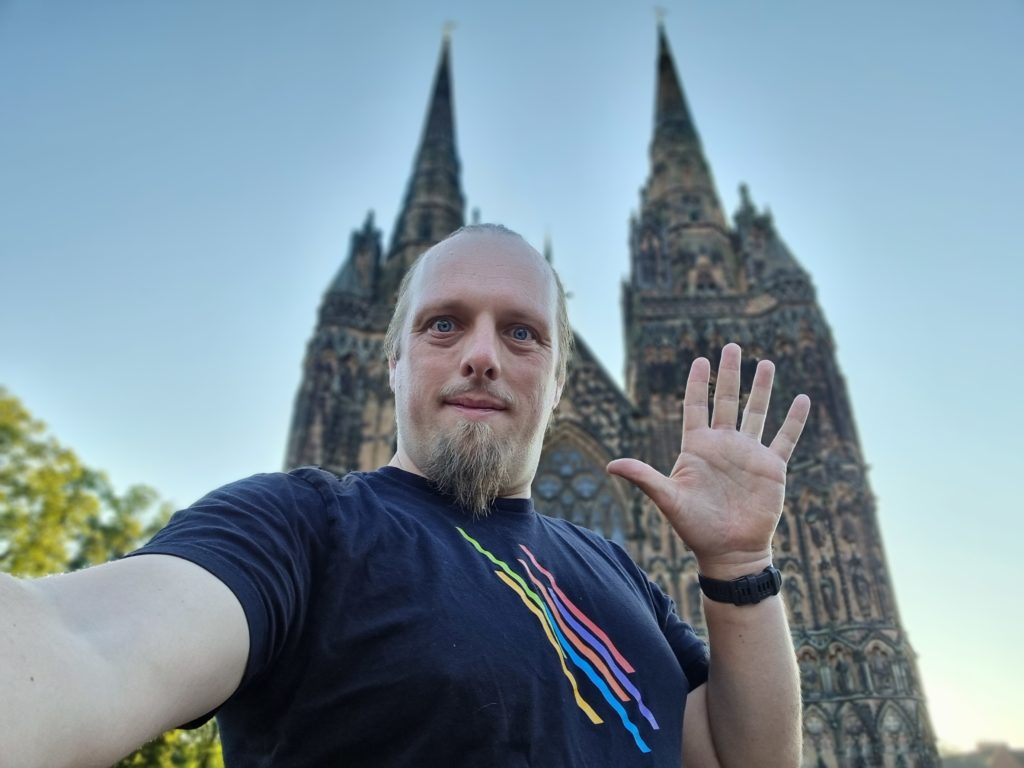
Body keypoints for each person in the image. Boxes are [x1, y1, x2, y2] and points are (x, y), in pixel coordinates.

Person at [0, 224, 810, 767]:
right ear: (391, 362)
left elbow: (739, 756)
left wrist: (741, 563)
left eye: (522, 332)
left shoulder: (617, 571)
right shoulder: (303, 527)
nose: (483, 356)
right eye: (444, 325)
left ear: (561, 382)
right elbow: (85, 643)